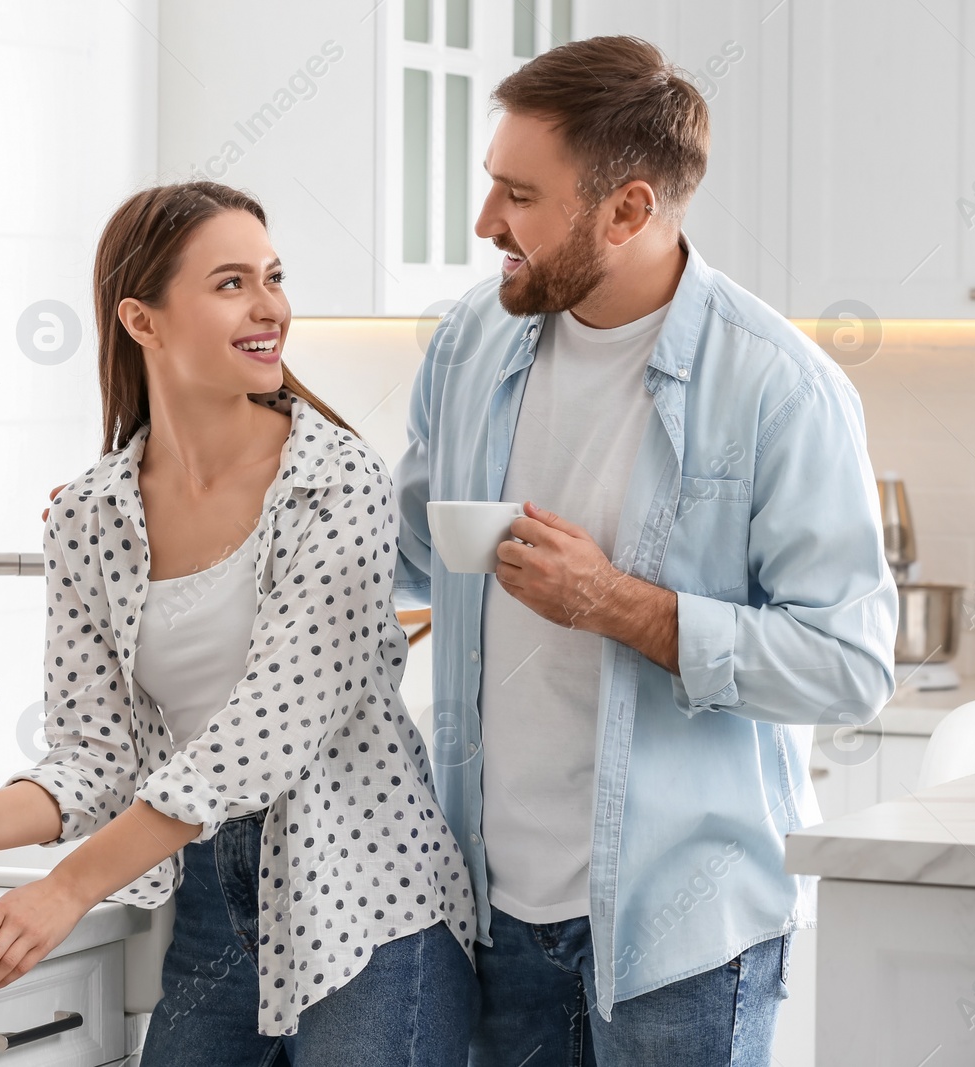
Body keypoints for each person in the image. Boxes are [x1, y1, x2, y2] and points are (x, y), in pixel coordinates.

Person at [0, 181, 476, 1066]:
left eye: (272, 276)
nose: (271, 308)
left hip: (371, 903)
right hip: (214, 906)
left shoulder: (338, 482)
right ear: (141, 320)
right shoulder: (90, 517)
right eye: (231, 283)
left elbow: (265, 734)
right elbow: (93, 754)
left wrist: (67, 887)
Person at [391, 36, 898, 1066]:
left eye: (518, 196)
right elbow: (404, 547)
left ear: (627, 209)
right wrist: (173, 493)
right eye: (492, 185)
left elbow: (849, 668)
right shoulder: (468, 340)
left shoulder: (777, 388)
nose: (485, 222)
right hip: (487, 911)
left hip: (681, 932)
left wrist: (618, 602)